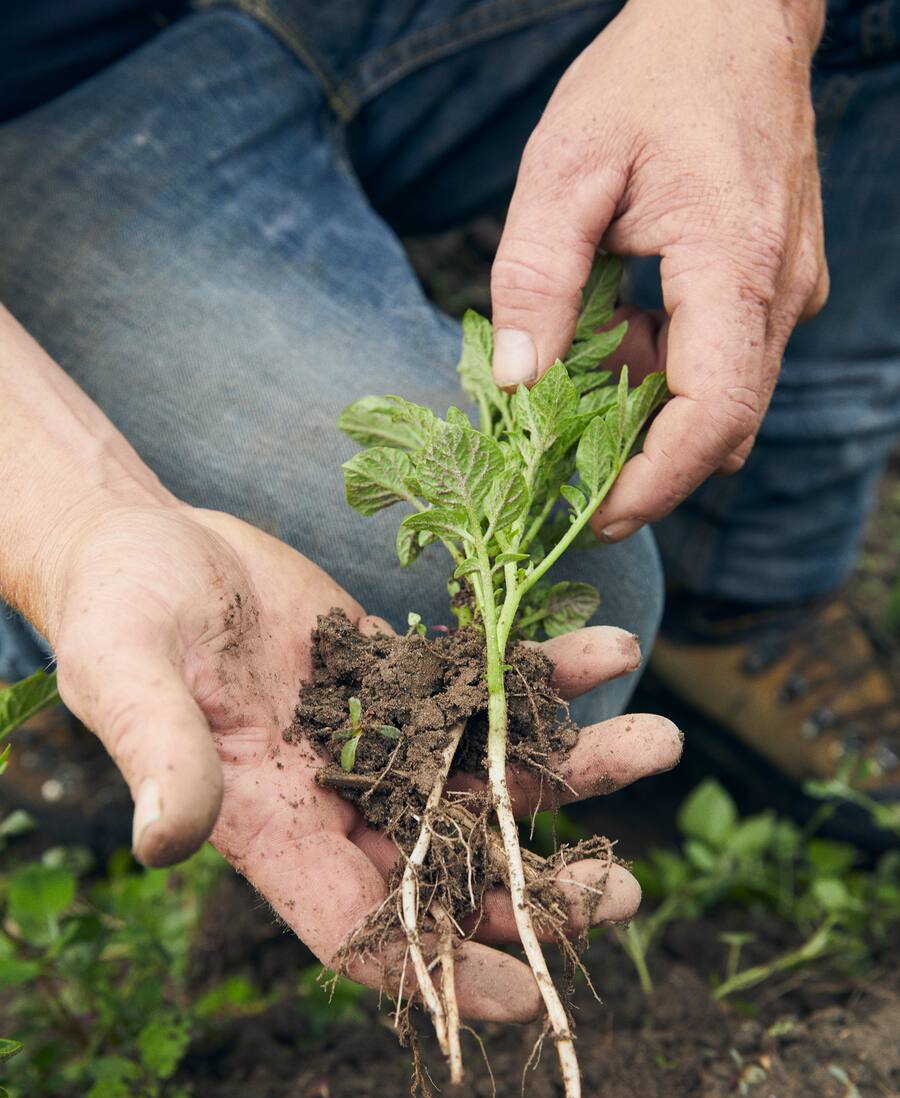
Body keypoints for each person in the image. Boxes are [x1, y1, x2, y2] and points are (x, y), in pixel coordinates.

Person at [0, 1, 896, 1016]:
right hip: (42, 94)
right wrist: (77, 524)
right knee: (509, 602)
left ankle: (745, 588)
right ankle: (35, 633)